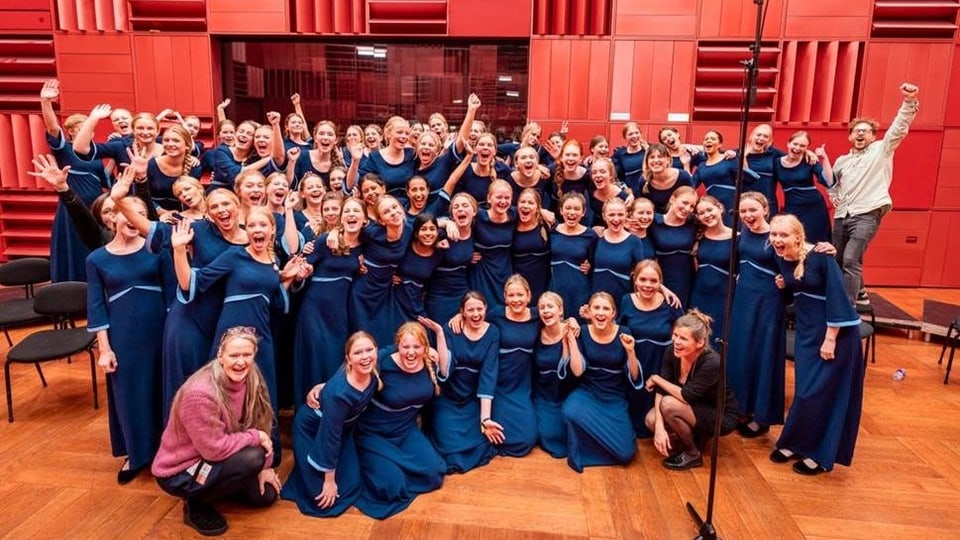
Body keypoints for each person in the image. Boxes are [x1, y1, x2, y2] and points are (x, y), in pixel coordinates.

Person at [151, 327, 280, 537]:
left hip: (218, 457)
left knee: (265, 497)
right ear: (220, 355)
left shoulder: (250, 376)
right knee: (253, 456)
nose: (241, 362)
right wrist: (256, 439)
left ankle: (220, 487)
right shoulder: (200, 393)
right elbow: (214, 449)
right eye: (234, 355)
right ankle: (196, 503)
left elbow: (260, 420)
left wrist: (265, 467)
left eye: (247, 355)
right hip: (182, 470)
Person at [87, 195, 175, 484]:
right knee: (129, 395)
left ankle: (167, 451)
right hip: (123, 337)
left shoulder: (158, 250)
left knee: (163, 391)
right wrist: (105, 348)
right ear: (113, 218)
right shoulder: (96, 259)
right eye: (128, 213)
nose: (133, 218)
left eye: (140, 213)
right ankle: (136, 454)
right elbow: (96, 307)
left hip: (161, 330)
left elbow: (172, 297)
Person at [768, 215, 864, 475]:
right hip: (807, 332)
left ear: (798, 236)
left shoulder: (821, 257)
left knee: (820, 393)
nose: (777, 239)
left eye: (783, 235)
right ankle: (796, 443)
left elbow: (837, 297)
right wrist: (783, 285)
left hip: (833, 334)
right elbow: (795, 291)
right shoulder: (780, 256)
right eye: (774, 234)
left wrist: (830, 339)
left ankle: (820, 455)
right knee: (804, 391)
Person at [830, 82, 919, 307]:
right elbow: (831, 183)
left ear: (872, 136)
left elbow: (898, 127)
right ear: (850, 136)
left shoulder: (882, 149)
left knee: (851, 258)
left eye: (865, 131)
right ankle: (859, 291)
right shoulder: (842, 160)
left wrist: (909, 102)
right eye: (856, 131)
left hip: (867, 214)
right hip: (842, 215)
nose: (860, 134)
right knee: (838, 258)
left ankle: (847, 307)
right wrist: (834, 197)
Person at [352, 321, 447, 519]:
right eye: (406, 347)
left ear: (424, 347)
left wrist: (438, 335)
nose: (411, 352)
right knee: (392, 488)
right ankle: (366, 464)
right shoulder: (384, 360)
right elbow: (351, 372)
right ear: (398, 345)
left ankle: (394, 470)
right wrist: (322, 387)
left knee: (434, 474)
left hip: (405, 431)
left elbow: (445, 372)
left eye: (417, 347)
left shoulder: (429, 361)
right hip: (374, 433)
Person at [282, 332, 380, 517]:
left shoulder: (373, 363)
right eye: (358, 352)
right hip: (313, 431)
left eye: (369, 350)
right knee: (323, 500)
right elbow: (330, 436)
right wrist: (329, 480)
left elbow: (393, 350)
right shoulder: (340, 395)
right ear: (348, 359)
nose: (365, 356)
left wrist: (429, 350)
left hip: (343, 429)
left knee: (352, 484)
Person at [645, 310, 739, 470]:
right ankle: (694, 436)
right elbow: (661, 389)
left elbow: (685, 396)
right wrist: (660, 427)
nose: (676, 341)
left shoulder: (712, 362)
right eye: (675, 335)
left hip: (719, 414)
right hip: (691, 407)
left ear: (700, 342)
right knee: (651, 421)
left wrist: (656, 378)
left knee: (668, 405)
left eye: (683, 338)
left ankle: (693, 454)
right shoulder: (672, 352)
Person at [292, 198, 364, 400]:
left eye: (356, 211)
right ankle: (310, 406)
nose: (351, 214)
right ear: (341, 217)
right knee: (314, 357)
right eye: (347, 211)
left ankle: (333, 405)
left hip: (341, 310)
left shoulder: (365, 246)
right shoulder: (327, 240)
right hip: (315, 308)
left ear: (364, 218)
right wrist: (302, 273)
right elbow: (303, 268)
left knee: (335, 357)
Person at [561, 292, 641, 472]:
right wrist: (571, 340)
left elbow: (635, 376)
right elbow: (577, 370)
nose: (601, 312)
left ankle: (618, 437)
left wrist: (630, 351)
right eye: (596, 307)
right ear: (589, 311)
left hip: (614, 397)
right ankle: (584, 448)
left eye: (606, 308)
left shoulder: (624, 333)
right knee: (569, 411)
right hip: (588, 393)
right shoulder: (581, 331)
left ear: (614, 313)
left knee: (626, 454)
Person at [426, 292, 501, 473]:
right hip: (448, 396)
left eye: (479, 309)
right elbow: (444, 370)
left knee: (479, 441)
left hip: (471, 398)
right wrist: (440, 334)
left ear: (486, 309)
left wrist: (485, 418)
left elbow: (488, 375)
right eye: (470, 310)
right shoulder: (451, 329)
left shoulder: (493, 333)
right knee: (448, 448)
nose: (475, 314)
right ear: (462, 312)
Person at [619, 260, 683, 437]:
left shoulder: (671, 303)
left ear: (660, 282)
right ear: (635, 280)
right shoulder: (626, 301)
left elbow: (684, 334)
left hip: (662, 367)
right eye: (643, 279)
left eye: (653, 281)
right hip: (636, 365)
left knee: (655, 420)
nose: (648, 285)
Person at [532, 292, 574, 458]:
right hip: (542, 395)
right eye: (542, 307)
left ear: (560, 309)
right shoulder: (536, 331)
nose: (546, 311)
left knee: (565, 435)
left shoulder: (572, 330)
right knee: (548, 436)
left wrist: (573, 322)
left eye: (550, 306)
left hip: (565, 393)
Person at [773, 131, 835, 243]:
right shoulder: (776, 162)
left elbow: (829, 182)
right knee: (793, 238)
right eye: (795, 144)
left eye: (802, 146)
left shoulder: (809, 160)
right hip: (792, 206)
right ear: (788, 143)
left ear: (806, 148)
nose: (797, 148)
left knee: (815, 240)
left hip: (814, 207)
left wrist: (824, 158)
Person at [688, 196, 734, 343]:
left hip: (724, 297)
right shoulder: (697, 237)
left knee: (721, 337)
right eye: (701, 213)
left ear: (719, 208)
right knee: (698, 336)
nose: (707, 215)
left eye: (709, 210)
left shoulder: (737, 237)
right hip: (699, 294)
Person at [648, 186, 698, 306]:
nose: (687, 209)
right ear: (672, 199)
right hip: (661, 276)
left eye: (692, 206)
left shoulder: (693, 223)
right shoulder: (654, 221)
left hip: (686, 278)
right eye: (685, 202)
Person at [549, 192, 597, 318]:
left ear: (583, 212)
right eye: (568, 208)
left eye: (577, 209)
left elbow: (595, 261)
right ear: (561, 210)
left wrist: (590, 267)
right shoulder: (552, 231)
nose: (572, 212)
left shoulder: (590, 235)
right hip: (555, 286)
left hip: (579, 289)